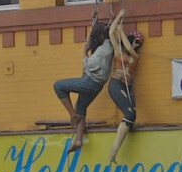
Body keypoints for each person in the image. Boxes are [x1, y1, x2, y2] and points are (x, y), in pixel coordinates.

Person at [54, 17, 114, 153]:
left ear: (99, 35)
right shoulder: (106, 45)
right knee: (81, 106)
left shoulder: (103, 50)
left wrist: (84, 52)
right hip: (98, 84)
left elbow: (89, 64)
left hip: (90, 82)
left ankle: (72, 115)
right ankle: (79, 140)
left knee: (58, 86)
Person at [104, 13, 144, 162]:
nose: (136, 46)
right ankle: (114, 148)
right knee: (129, 113)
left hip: (127, 85)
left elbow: (128, 46)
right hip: (116, 83)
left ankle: (116, 146)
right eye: (135, 42)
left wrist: (121, 32)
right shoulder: (118, 51)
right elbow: (110, 32)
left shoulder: (134, 57)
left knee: (131, 114)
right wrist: (119, 17)